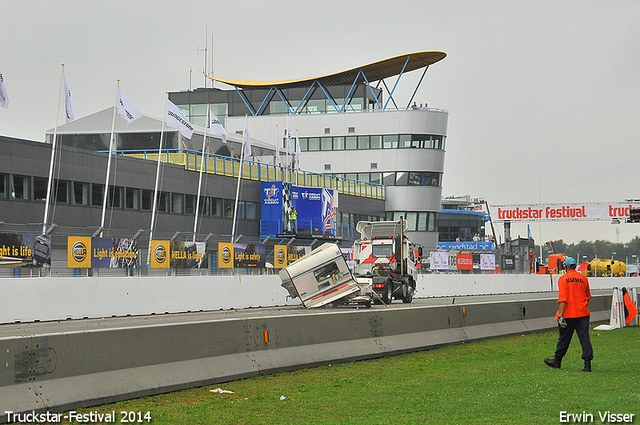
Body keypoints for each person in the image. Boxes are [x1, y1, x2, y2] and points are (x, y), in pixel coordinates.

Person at [544, 257, 593, 372]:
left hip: (568, 314)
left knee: (564, 338)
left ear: (565, 267)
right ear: (575, 266)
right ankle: (587, 365)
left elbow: (563, 299)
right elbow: (588, 296)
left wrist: (561, 315)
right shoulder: (583, 278)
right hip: (582, 313)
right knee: (585, 338)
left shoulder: (563, 279)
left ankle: (557, 361)